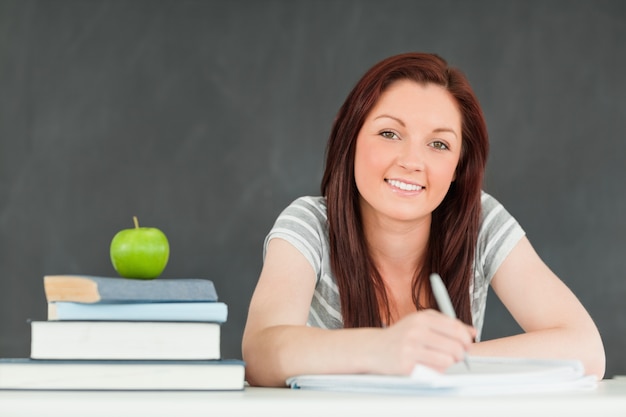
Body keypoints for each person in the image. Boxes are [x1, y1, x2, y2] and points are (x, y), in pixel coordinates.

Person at [241, 52, 606, 387]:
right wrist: (382, 350)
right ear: (350, 141)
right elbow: (261, 352)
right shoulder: (309, 223)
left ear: (457, 169)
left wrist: (435, 359)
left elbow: (586, 350)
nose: (411, 161)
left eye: (439, 144)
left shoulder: (479, 220)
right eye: (389, 133)